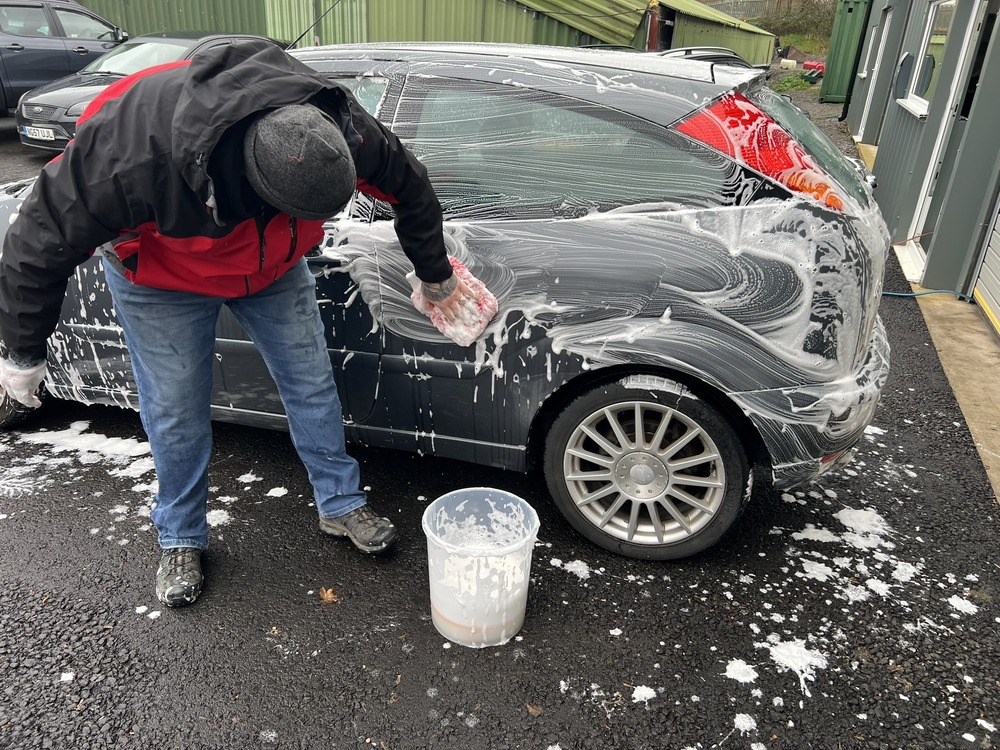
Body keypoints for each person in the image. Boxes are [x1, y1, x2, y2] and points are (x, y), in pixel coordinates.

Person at [0, 40, 479, 607]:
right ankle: (180, 534)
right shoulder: (130, 156)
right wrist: (22, 354)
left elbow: (410, 186)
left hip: (272, 269)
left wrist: (435, 274)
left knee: (310, 383)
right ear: (252, 188)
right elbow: (38, 242)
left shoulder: (333, 128)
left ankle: (340, 503)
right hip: (162, 280)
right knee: (176, 409)